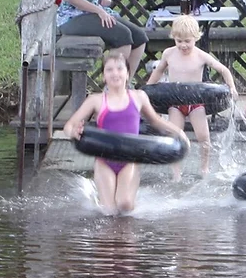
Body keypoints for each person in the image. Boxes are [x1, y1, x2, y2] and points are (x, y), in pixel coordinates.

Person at [62, 51, 189, 214]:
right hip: (104, 161)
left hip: (129, 160)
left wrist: (178, 132)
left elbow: (156, 121)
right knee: (109, 211)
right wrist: (73, 132)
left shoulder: (139, 97)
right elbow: (69, 125)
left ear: (128, 74)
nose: (115, 73)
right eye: (109, 70)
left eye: (120, 69)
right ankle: (101, 197)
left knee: (125, 205)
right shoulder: (96, 100)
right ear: (103, 76)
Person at [146, 15, 238, 177]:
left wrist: (231, 87)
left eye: (187, 41)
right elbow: (159, 71)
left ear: (196, 38)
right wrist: (147, 89)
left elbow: (223, 70)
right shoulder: (169, 53)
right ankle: (176, 172)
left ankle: (204, 167)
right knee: (175, 136)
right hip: (175, 102)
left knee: (204, 137)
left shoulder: (201, 55)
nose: (183, 45)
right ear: (173, 38)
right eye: (179, 41)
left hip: (196, 103)